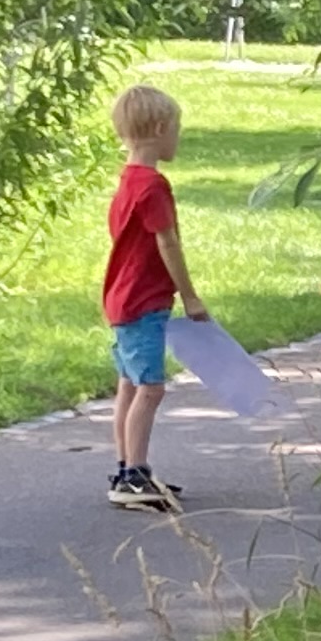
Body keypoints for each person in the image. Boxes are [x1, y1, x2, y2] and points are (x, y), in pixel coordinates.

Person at [100, 85, 213, 515]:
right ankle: (133, 475)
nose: (178, 138)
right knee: (150, 387)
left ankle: (127, 466)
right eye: (177, 130)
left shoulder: (127, 182)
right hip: (144, 300)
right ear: (161, 130)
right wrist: (190, 296)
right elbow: (168, 243)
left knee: (129, 385)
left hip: (121, 297)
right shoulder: (153, 186)